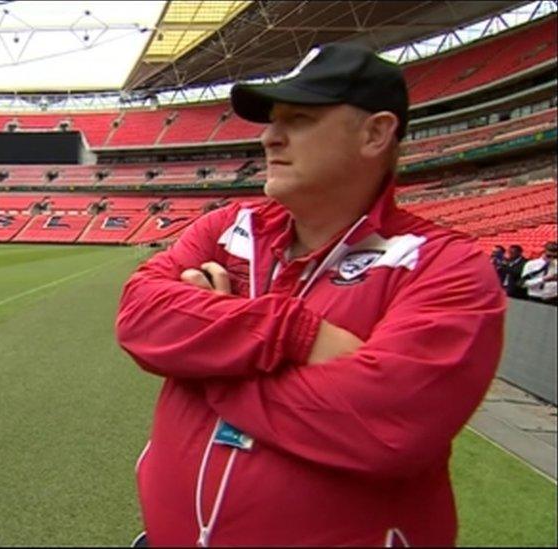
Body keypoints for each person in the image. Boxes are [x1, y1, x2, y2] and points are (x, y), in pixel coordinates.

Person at [116, 43, 505, 547]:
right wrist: (295, 333)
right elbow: (139, 316)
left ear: (375, 133)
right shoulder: (226, 228)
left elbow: (384, 425)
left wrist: (205, 360)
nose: (269, 137)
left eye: (299, 118)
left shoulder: (445, 264)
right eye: (272, 120)